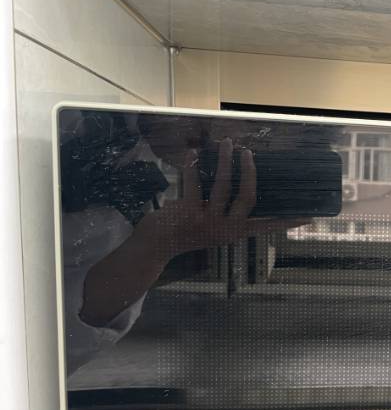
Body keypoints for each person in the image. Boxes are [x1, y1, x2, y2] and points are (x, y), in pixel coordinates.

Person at [61, 112, 307, 373]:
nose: (229, 137)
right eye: (254, 124)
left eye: (255, 150)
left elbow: (56, 348)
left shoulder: (137, 209)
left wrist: (161, 245)